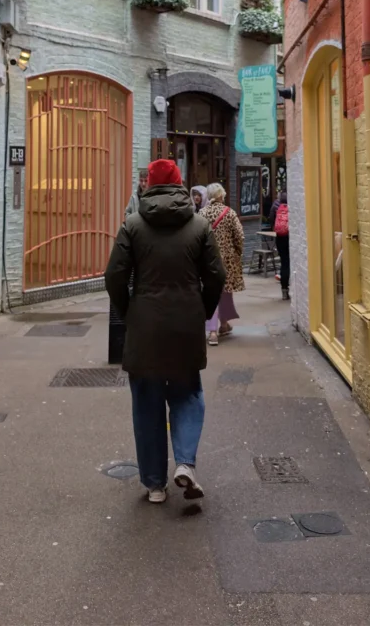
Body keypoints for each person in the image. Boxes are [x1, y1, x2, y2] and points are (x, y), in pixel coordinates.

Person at [105, 158, 225, 504]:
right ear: (180, 183)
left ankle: (155, 484)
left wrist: (129, 310)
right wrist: (202, 309)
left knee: (147, 402)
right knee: (188, 394)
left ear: (148, 185)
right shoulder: (199, 225)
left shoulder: (132, 225)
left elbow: (114, 275)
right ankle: (185, 463)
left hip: (144, 325)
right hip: (186, 324)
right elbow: (216, 275)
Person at [201, 183, 245, 346]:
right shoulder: (229, 213)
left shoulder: (202, 213)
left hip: (208, 259)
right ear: (220, 196)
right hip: (226, 260)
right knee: (225, 290)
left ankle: (221, 326)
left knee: (212, 291)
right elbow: (239, 236)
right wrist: (237, 252)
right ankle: (215, 330)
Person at [274, 192, 290, 300]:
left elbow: (272, 223)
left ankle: (284, 290)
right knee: (290, 264)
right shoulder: (291, 209)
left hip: (279, 239)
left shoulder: (276, 208)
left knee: (284, 263)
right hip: (289, 238)